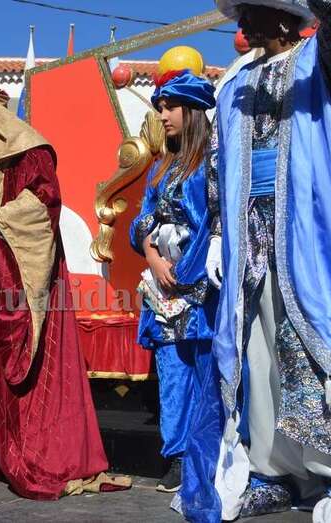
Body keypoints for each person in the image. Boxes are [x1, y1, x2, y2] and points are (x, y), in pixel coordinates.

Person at [198, 1, 331, 520]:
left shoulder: (320, 62)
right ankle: (275, 471)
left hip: (307, 229)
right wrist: (220, 234)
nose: (242, 21)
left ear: (283, 18)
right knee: (259, 349)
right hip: (250, 233)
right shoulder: (237, 83)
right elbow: (219, 164)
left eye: (254, 10)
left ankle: (327, 468)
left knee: (307, 347)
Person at [0, 75, 130, 499]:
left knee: (17, 370)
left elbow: (43, 204)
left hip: (15, 284)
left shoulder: (26, 151)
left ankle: (31, 452)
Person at [129, 68, 219, 495]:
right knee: (172, 374)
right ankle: (178, 456)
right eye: (159, 107)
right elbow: (142, 219)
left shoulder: (214, 163)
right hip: (162, 287)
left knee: (206, 371)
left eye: (169, 107)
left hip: (202, 287)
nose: (162, 116)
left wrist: (187, 271)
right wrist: (150, 253)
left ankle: (209, 454)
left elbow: (215, 222)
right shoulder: (162, 167)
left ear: (193, 109)